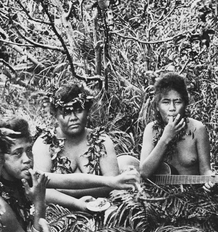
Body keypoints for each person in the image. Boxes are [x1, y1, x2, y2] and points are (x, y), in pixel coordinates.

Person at [32, 81, 140, 211]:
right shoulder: (45, 143)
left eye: (78, 110)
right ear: (55, 115)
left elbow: (114, 185)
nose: (73, 118)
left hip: (102, 209)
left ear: (87, 111)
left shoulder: (101, 140)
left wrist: (63, 190)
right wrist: (77, 203)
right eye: (66, 112)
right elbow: (42, 191)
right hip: (58, 216)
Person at [139, 73, 214, 182]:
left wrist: (210, 179)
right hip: (158, 194)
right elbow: (144, 172)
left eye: (178, 102)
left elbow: (205, 170)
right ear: (157, 106)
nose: (172, 108)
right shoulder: (151, 130)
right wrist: (166, 138)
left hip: (191, 194)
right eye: (166, 102)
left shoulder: (198, 129)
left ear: (185, 104)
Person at [0, 117, 48, 232]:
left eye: (28, 151)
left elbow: (67, 180)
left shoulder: (21, 177)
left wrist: (108, 181)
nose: (27, 159)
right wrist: (39, 203)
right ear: (1, 159)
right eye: (17, 153)